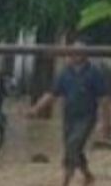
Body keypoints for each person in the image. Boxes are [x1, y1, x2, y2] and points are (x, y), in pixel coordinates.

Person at [28, 42, 111, 186]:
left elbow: (104, 99)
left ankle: (66, 178)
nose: (73, 55)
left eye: (77, 52)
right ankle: (87, 175)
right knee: (73, 147)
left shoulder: (94, 73)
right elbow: (52, 94)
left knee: (73, 144)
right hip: (69, 117)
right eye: (72, 52)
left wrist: (106, 122)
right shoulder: (65, 73)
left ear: (85, 55)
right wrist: (36, 108)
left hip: (87, 117)